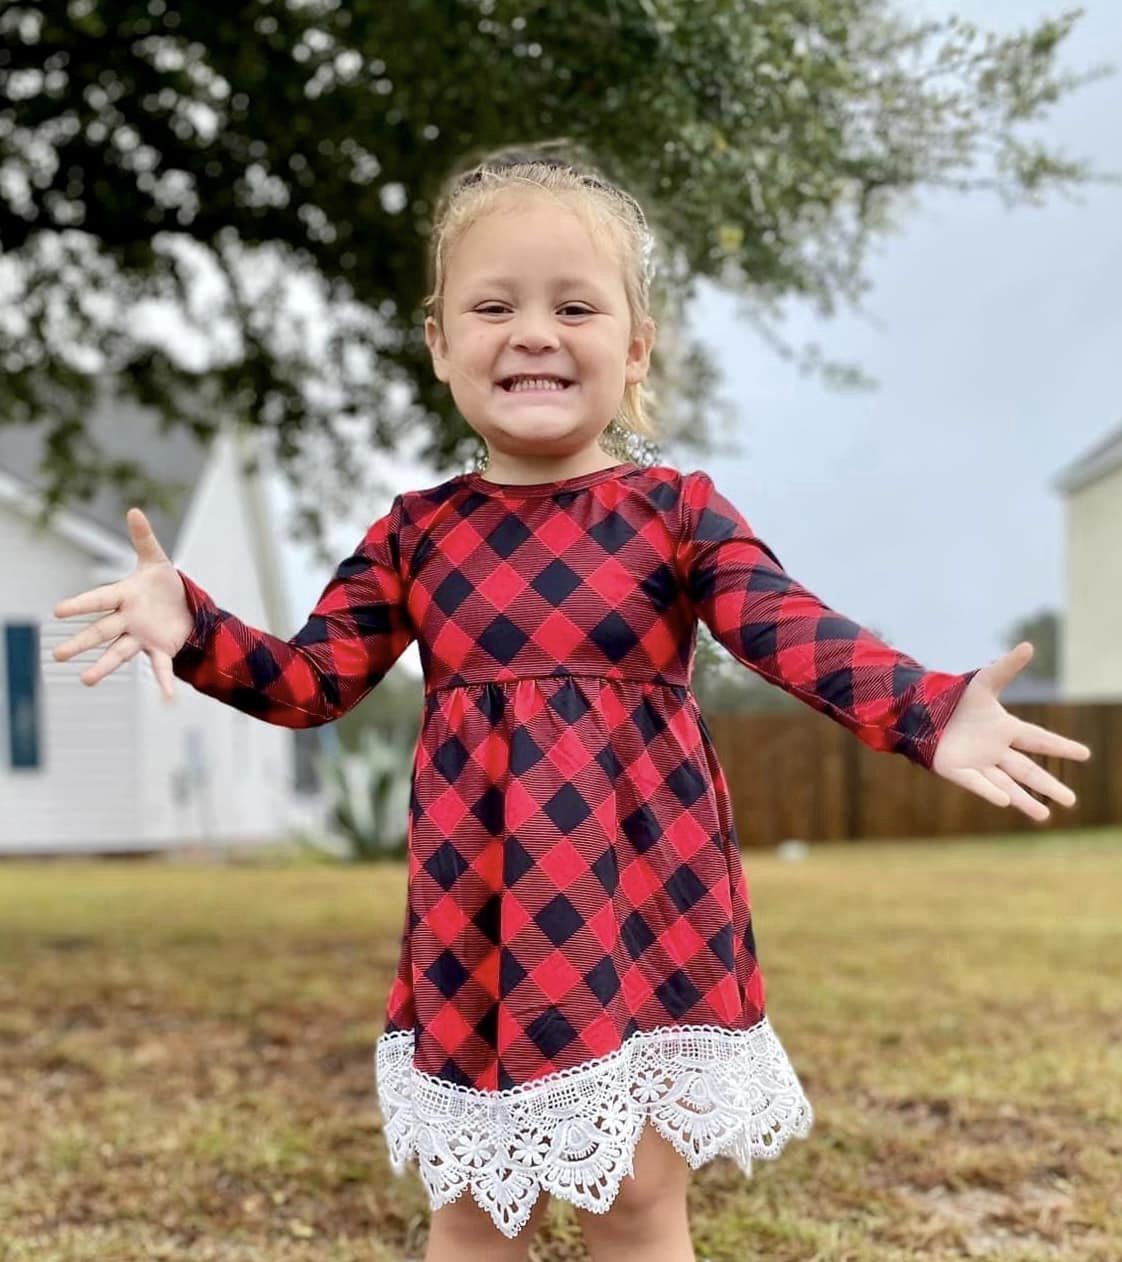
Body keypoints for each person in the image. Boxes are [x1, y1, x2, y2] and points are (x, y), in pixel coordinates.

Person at [52, 147, 1092, 1262]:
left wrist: (929, 709)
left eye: (574, 305)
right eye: (493, 305)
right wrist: (193, 623)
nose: (534, 330)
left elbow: (789, 630)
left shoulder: (674, 513)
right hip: (479, 927)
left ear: (633, 349)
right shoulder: (416, 535)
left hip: (639, 914)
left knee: (638, 1193)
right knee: (475, 1207)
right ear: (440, 344)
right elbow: (307, 680)